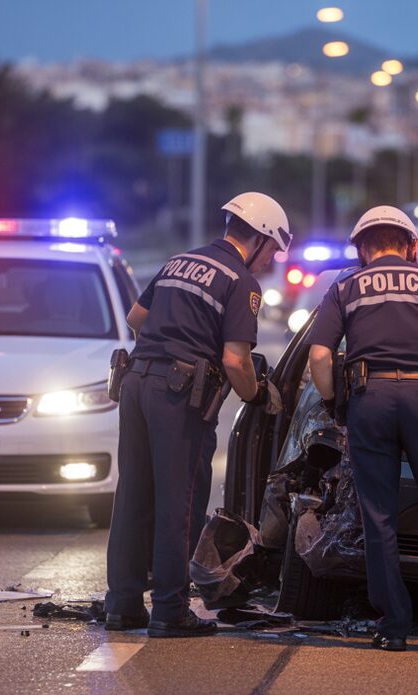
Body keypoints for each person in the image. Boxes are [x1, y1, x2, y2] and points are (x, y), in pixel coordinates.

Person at [104, 192, 291, 638]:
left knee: (133, 496)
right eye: (272, 250)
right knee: (179, 503)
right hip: (177, 396)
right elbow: (235, 361)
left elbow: (136, 318)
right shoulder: (241, 281)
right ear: (260, 238)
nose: (270, 260)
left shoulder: (179, 261)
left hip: (135, 383)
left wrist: (171, 341)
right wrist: (257, 395)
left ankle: (123, 606)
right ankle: (170, 611)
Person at [307, 205, 418, 653]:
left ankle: (393, 628)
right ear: (411, 246)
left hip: (371, 398)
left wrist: (332, 403)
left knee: (379, 516)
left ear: (362, 249)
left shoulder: (346, 287)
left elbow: (319, 356)